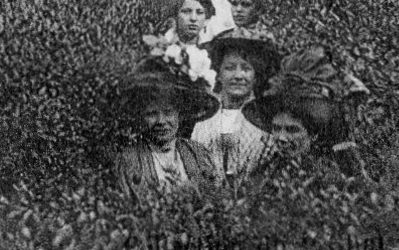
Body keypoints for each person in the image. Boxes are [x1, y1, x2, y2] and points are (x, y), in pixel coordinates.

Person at [245, 46, 370, 180]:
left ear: (314, 135)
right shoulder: (265, 172)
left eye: (292, 130)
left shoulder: (335, 172)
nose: (281, 138)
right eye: (276, 128)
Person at [192, 26, 282, 182]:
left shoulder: (266, 120)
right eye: (230, 68)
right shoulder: (203, 121)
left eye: (246, 69)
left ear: (256, 76)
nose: (238, 75)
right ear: (218, 74)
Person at [112, 70, 219, 199]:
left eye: (168, 112)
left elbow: (215, 199)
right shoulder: (129, 160)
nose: (161, 121)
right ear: (141, 117)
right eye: (152, 114)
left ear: (179, 114)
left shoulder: (199, 154)